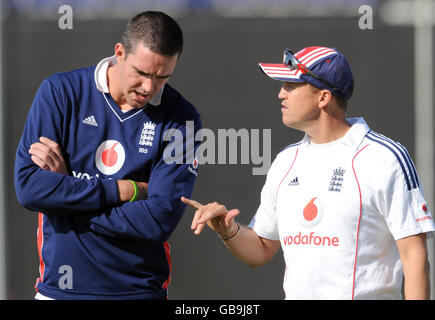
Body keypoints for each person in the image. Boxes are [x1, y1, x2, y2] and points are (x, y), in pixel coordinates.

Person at [182, 46, 435, 300]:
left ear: (323, 97)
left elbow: (415, 258)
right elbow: (262, 248)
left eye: (291, 86)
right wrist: (228, 230)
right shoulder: (286, 161)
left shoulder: (385, 158)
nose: (281, 94)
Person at [14, 11, 201, 300]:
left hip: (138, 292)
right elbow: (29, 189)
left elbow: (157, 221)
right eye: (142, 73)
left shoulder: (181, 118)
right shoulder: (61, 92)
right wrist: (123, 189)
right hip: (59, 291)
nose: (150, 87)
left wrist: (67, 192)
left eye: (162, 77)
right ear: (119, 53)